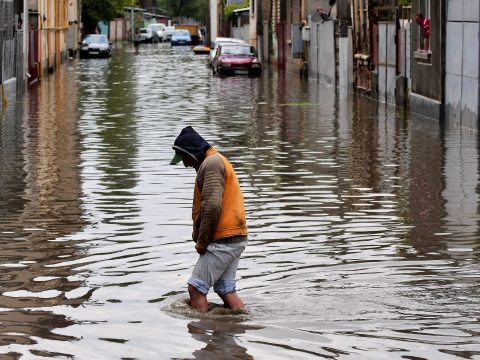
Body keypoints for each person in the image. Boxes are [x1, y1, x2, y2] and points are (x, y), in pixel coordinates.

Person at [170, 126, 248, 312]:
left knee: (196, 289)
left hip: (224, 238)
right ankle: (239, 327)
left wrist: (202, 242)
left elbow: (212, 207)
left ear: (193, 153)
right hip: (235, 236)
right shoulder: (215, 161)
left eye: (185, 159)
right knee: (225, 289)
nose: (185, 164)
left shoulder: (211, 164)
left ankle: (203, 337)